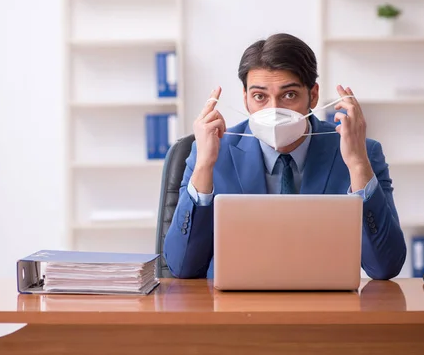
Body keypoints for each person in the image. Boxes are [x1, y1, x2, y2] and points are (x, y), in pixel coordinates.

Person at [163, 33, 406, 280]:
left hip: (327, 307)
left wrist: (357, 164)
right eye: (260, 96)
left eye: (288, 95)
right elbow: (183, 267)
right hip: (234, 309)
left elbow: (385, 266)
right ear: (245, 99)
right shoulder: (215, 151)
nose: (274, 110)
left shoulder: (362, 152)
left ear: (312, 95)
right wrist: (204, 166)